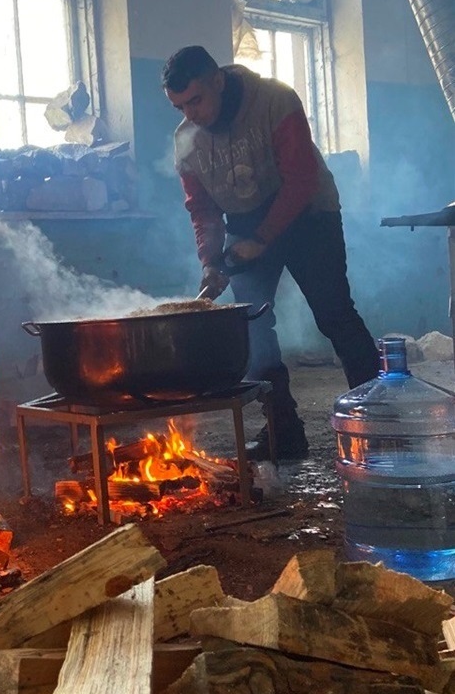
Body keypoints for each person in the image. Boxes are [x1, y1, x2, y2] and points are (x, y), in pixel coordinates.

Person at [162, 45, 379, 461]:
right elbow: (202, 207)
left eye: (196, 100)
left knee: (335, 314)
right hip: (245, 223)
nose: (190, 114)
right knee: (253, 327)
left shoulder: (275, 101)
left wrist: (262, 239)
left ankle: (377, 420)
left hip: (308, 213)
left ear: (218, 82)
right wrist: (210, 258)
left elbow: (300, 178)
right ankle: (284, 431)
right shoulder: (186, 141)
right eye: (179, 107)